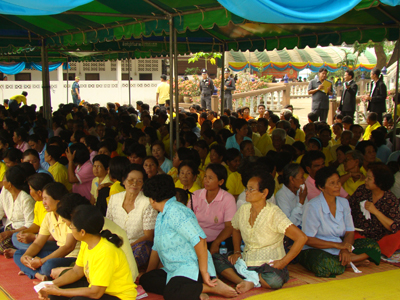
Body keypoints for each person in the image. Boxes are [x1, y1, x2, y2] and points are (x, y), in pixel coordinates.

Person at [139, 174, 238, 300]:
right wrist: (149, 274)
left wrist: (204, 272)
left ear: (152, 199)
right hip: (173, 269)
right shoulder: (161, 215)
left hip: (191, 268)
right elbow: (156, 248)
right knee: (146, 280)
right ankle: (192, 292)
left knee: (171, 293)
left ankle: (210, 287)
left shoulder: (177, 211)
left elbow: (200, 240)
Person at [212, 170, 307, 293]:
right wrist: (236, 251)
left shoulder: (274, 213)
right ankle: (245, 281)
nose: (246, 192)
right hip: (247, 261)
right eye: (246, 188)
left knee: (274, 280)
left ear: (264, 193)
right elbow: (235, 228)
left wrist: (283, 262)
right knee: (216, 258)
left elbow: (302, 238)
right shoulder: (244, 209)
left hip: (268, 265)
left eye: (251, 189)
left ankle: (249, 280)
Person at [39, 205, 137, 300]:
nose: (70, 230)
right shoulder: (86, 243)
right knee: (55, 294)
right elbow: (76, 271)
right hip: (100, 290)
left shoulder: (105, 251)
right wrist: (50, 285)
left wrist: (59, 291)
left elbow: (96, 293)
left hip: (117, 296)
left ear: (82, 232)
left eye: (71, 227)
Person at [299, 167, 380, 278]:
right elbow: (308, 239)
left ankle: (347, 259)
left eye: (338, 182)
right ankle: (351, 261)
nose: (337, 186)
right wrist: (338, 246)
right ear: (321, 187)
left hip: (340, 245)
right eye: (332, 183)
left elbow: (350, 232)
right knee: (325, 264)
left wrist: (345, 249)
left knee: (373, 246)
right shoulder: (313, 206)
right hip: (317, 249)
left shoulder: (344, 203)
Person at [13, 182, 76, 281]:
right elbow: (38, 243)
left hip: (73, 257)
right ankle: (39, 274)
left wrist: (41, 261)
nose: (43, 203)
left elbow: (68, 247)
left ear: (58, 199)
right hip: (58, 252)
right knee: (18, 254)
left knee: (48, 266)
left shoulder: (70, 216)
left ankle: (34, 272)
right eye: (43, 199)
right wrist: (26, 256)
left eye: (46, 198)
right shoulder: (49, 216)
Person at [106, 164, 157, 268]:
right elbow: (108, 226)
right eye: (131, 180)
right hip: (115, 243)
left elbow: (148, 236)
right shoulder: (114, 199)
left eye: (139, 181)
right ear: (124, 181)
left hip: (136, 247)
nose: (135, 184)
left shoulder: (147, 202)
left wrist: (127, 247)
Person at [349, 162, 400, 258]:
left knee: (398, 236)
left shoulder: (391, 199)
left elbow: (393, 226)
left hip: (381, 238)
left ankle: (368, 253)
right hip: (360, 234)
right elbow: (348, 209)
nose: (366, 180)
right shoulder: (362, 190)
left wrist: (375, 211)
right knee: (350, 237)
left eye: (369, 178)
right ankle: (371, 254)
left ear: (380, 182)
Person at [189, 164, 236, 254]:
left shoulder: (228, 199)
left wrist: (216, 243)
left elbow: (229, 227)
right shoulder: (195, 195)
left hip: (218, 241)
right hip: (196, 240)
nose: (206, 180)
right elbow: (187, 220)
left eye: (210, 178)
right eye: (205, 176)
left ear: (221, 181)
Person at [10, 174, 56, 256]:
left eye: (30, 189)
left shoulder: (52, 207)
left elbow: (55, 236)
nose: (29, 192)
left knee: (47, 262)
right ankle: (33, 253)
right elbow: (36, 224)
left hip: (52, 241)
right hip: (40, 238)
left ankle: (26, 252)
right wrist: (24, 232)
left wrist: (34, 237)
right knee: (15, 237)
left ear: (39, 193)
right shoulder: (38, 204)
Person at [0, 166, 35, 254]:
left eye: (4, 179)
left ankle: (20, 251)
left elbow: (30, 224)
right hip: (9, 227)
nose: (2, 181)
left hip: (21, 230)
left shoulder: (25, 198)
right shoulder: (5, 191)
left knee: (6, 244)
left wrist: (11, 233)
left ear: (10, 184)